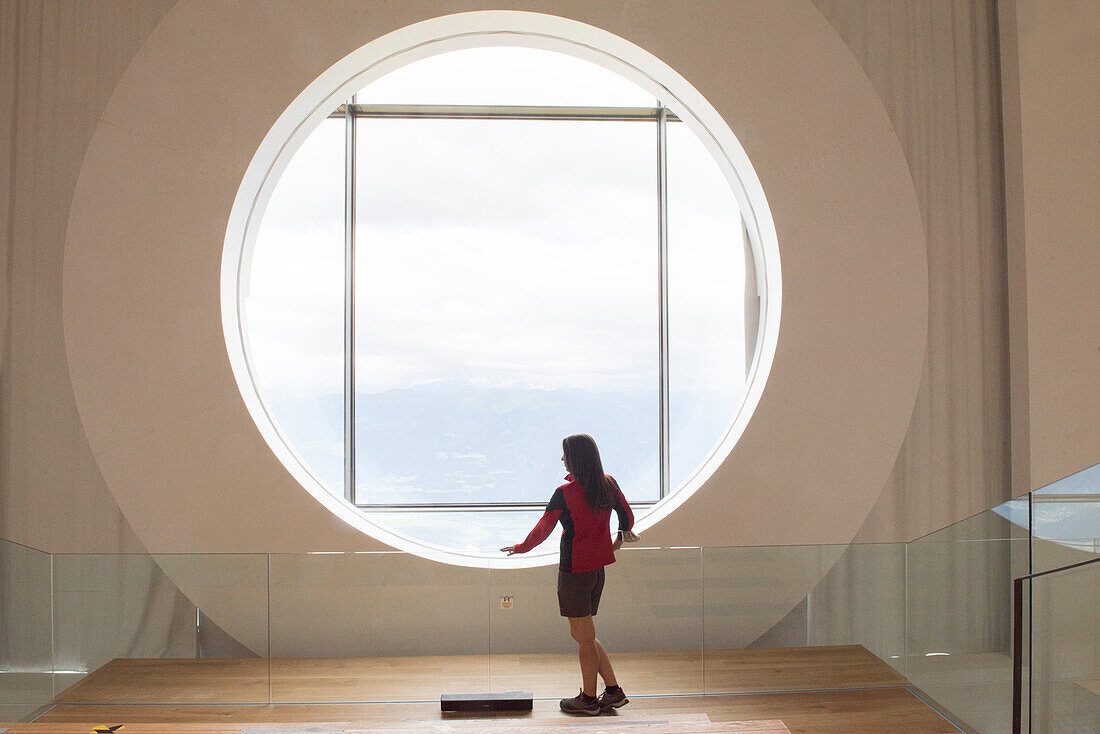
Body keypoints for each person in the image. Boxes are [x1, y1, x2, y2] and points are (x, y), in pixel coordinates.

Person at [501, 433, 635, 715]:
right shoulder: (608, 484)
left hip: (574, 572)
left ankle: (588, 700)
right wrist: (617, 543)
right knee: (585, 634)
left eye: (565, 455)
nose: (562, 459)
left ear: (575, 458)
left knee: (584, 637)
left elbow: (543, 528)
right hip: (597, 570)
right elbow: (627, 517)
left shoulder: (566, 493)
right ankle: (613, 691)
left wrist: (521, 548)